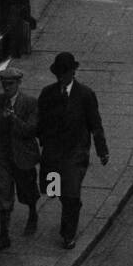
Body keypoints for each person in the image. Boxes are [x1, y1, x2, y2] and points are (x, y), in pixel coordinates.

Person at [36, 53, 109, 250]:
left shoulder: (85, 95)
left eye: (65, 73)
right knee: (54, 191)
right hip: (53, 153)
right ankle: (73, 206)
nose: (61, 77)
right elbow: (40, 121)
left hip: (75, 153)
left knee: (70, 192)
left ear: (73, 72)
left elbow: (95, 124)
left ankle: (68, 233)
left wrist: (102, 150)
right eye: (58, 74)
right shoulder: (47, 93)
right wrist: (43, 142)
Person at [0, 68, 40, 250]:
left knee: (27, 191)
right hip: (4, 156)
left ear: (18, 83)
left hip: (23, 156)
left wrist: (14, 118)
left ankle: (33, 213)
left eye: (10, 84)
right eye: (4, 84)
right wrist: (2, 120)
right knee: (4, 194)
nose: (6, 88)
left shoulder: (30, 103)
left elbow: (30, 130)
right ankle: (4, 235)